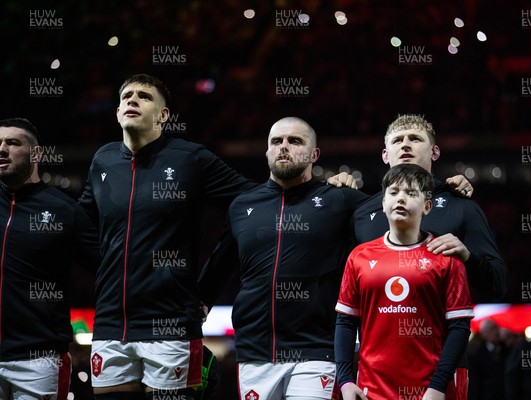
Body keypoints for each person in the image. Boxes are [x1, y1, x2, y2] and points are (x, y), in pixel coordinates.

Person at [78, 73, 258, 399]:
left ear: (163, 115)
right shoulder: (102, 161)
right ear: (118, 112)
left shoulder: (190, 159)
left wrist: (208, 287)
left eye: (144, 96)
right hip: (109, 324)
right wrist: (107, 268)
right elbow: (80, 225)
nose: (132, 100)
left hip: (172, 324)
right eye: (126, 96)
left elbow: (254, 204)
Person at [199, 116, 369, 399]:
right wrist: (196, 307)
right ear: (267, 151)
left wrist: (445, 192)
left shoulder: (340, 200)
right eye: (276, 141)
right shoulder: (243, 205)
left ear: (315, 154)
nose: (284, 147)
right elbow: (219, 265)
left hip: (317, 349)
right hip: (255, 352)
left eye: (295, 141)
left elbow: (398, 208)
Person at [334, 163, 474, 400]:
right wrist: (346, 381)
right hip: (371, 391)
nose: (400, 199)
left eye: (411, 194)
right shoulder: (359, 257)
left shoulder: (446, 257)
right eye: (394, 192)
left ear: (427, 206)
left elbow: (459, 328)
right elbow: (345, 323)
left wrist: (438, 386)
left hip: (429, 392)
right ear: (383, 203)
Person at [351, 114, 508, 302]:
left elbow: (498, 285)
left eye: (415, 139)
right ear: (385, 155)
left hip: (437, 329)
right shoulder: (361, 212)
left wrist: (468, 258)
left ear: (435, 152)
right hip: (377, 330)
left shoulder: (461, 207)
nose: (405, 144)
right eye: (397, 140)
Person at [0, 118, 100, 399]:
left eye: (12, 142)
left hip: (39, 361)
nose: (2, 149)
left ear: (36, 154)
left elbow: (106, 269)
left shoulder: (65, 211)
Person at [466, 319, 508, 400]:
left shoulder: (507, 350)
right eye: (491, 329)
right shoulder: (476, 356)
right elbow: (474, 385)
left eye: (496, 328)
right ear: (483, 334)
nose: (496, 332)